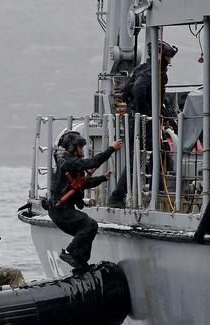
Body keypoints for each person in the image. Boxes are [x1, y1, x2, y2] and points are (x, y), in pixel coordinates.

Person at [109, 40, 178, 208]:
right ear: (160, 56)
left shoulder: (150, 70)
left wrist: (167, 116)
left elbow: (159, 98)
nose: (170, 61)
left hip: (143, 118)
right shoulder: (150, 72)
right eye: (168, 57)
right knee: (137, 158)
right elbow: (139, 90)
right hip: (141, 120)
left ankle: (158, 189)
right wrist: (147, 113)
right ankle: (117, 196)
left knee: (158, 154)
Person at [49, 132, 123, 271]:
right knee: (89, 225)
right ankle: (70, 253)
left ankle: (80, 262)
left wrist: (103, 178)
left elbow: (82, 184)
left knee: (89, 229)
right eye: (80, 147)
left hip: (63, 210)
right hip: (60, 210)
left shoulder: (69, 162)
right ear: (72, 148)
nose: (82, 150)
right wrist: (111, 148)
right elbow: (93, 162)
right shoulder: (68, 162)